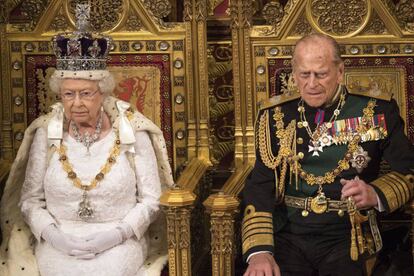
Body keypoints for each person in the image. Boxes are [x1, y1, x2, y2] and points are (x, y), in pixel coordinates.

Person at [0, 5, 173, 276]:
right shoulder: (46, 133)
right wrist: (54, 236)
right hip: (58, 242)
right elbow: (30, 200)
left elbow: (152, 200)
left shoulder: (133, 132)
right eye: (69, 94)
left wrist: (116, 235)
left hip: (119, 241)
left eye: (86, 93)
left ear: (103, 93)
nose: (77, 103)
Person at [242, 33, 414, 276]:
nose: (312, 84)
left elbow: (409, 169)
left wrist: (375, 193)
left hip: (348, 234)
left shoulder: (376, 109)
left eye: (321, 74)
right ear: (294, 73)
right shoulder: (274, 115)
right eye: (304, 74)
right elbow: (260, 184)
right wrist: (260, 251)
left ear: (340, 71)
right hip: (288, 234)